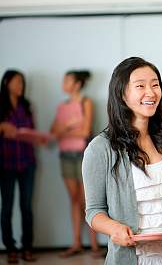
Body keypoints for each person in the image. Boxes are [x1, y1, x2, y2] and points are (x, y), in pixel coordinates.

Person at [82, 57, 162, 264]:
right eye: (140, 86)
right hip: (138, 256)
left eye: (155, 85)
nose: (151, 92)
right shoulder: (101, 148)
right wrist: (115, 228)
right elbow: (94, 211)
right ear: (122, 94)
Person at [50, 70, 101, 258]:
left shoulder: (86, 102)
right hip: (65, 156)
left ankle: (95, 246)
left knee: (87, 201)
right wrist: (71, 126)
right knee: (74, 200)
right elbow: (52, 133)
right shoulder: (61, 106)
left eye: (67, 80)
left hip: (82, 155)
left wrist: (65, 131)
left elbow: (85, 131)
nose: (63, 82)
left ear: (77, 84)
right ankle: (77, 243)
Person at [0, 70, 39, 263]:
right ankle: (10, 248)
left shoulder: (26, 106)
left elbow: (30, 131)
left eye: (22, 83)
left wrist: (37, 137)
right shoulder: (1, 106)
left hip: (27, 162)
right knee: (6, 208)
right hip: (5, 164)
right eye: (17, 82)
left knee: (26, 207)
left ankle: (27, 248)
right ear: (6, 82)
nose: (20, 86)